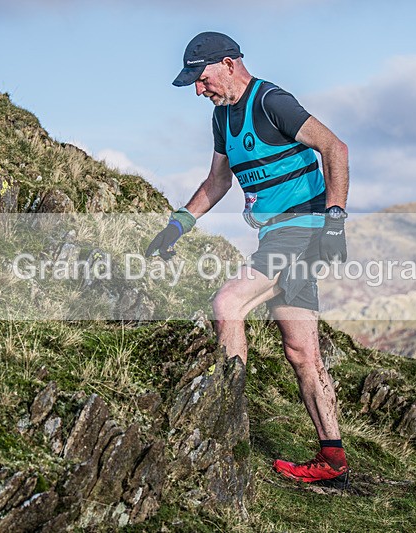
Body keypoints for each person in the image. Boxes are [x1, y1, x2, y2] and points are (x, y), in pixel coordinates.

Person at [146, 31, 350, 488]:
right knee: (302, 353)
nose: (199, 90)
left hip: (303, 230)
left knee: (228, 304)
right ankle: (333, 460)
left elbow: (335, 148)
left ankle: (225, 431)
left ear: (228, 63)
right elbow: (217, 181)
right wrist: (177, 225)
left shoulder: (271, 101)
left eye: (201, 78)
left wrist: (335, 219)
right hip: (277, 236)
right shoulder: (222, 119)